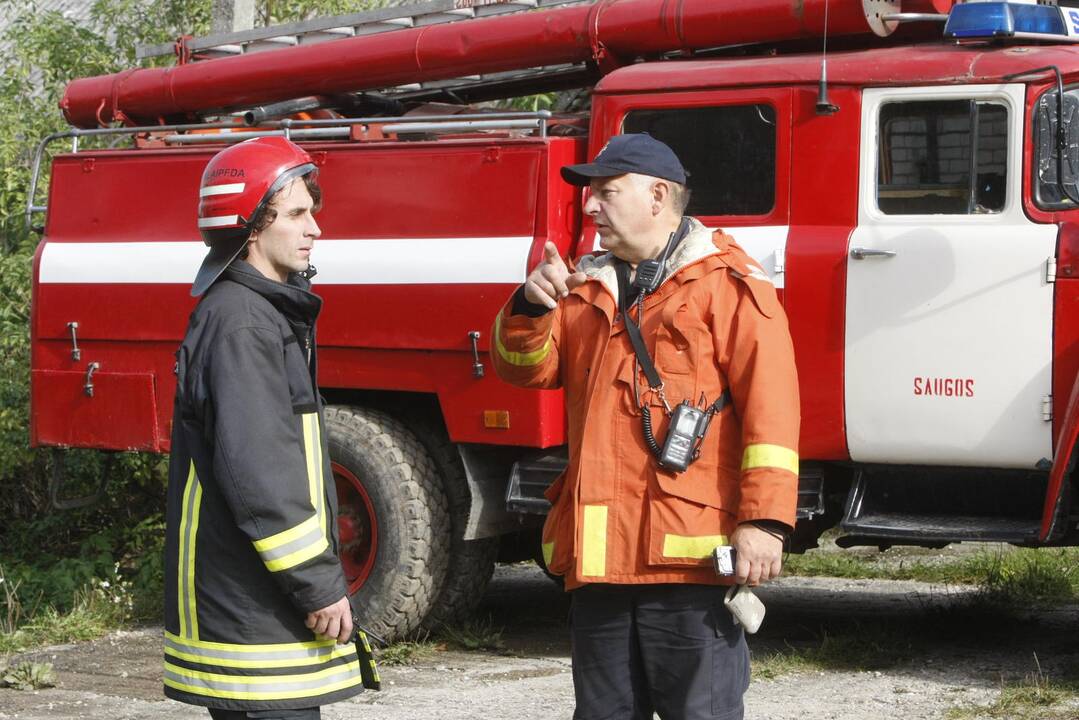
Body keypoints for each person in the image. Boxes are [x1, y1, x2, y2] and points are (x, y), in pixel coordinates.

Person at [491, 133, 800, 720]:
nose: (589, 207)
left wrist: (763, 521)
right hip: (601, 566)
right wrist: (530, 307)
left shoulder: (729, 283)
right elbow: (523, 369)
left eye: (606, 192)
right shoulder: (585, 287)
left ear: (658, 196)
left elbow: (773, 410)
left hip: (691, 567)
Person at [164, 136, 369, 719]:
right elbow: (261, 474)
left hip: (252, 598)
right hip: (250, 607)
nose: (315, 230)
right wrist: (319, 582)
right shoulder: (244, 325)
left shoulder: (256, 312)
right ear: (252, 226)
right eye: (298, 214)